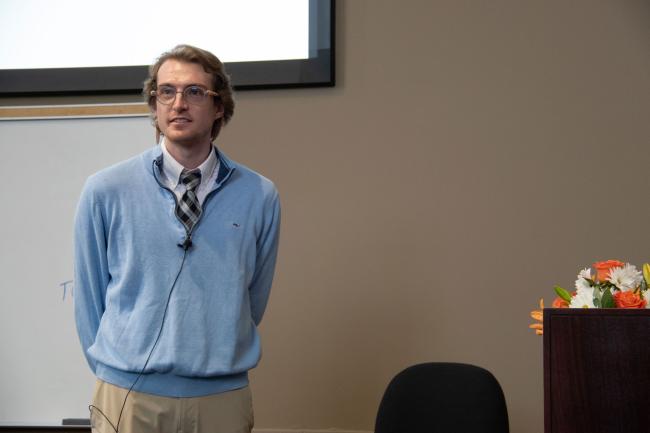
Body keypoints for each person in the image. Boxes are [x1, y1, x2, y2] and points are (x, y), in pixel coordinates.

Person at [74, 44, 281, 433]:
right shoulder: (105, 189)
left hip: (221, 398)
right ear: (154, 104)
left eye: (194, 92)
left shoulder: (259, 194)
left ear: (219, 107)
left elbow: (251, 297)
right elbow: (89, 298)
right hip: (128, 394)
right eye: (166, 92)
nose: (178, 103)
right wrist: (115, 372)